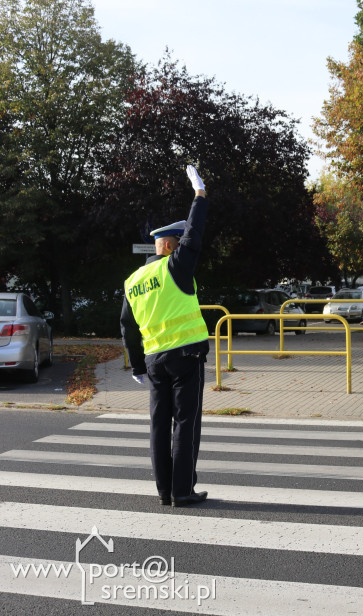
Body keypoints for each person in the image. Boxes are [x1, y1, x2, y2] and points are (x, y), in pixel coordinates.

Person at [120, 164, 209, 507]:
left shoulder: (133, 281)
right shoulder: (176, 266)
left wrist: (137, 367)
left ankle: (163, 491)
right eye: (180, 240)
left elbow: (127, 325)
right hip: (185, 358)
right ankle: (183, 491)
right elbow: (196, 234)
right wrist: (199, 196)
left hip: (155, 362)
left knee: (159, 426)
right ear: (171, 245)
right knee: (185, 424)